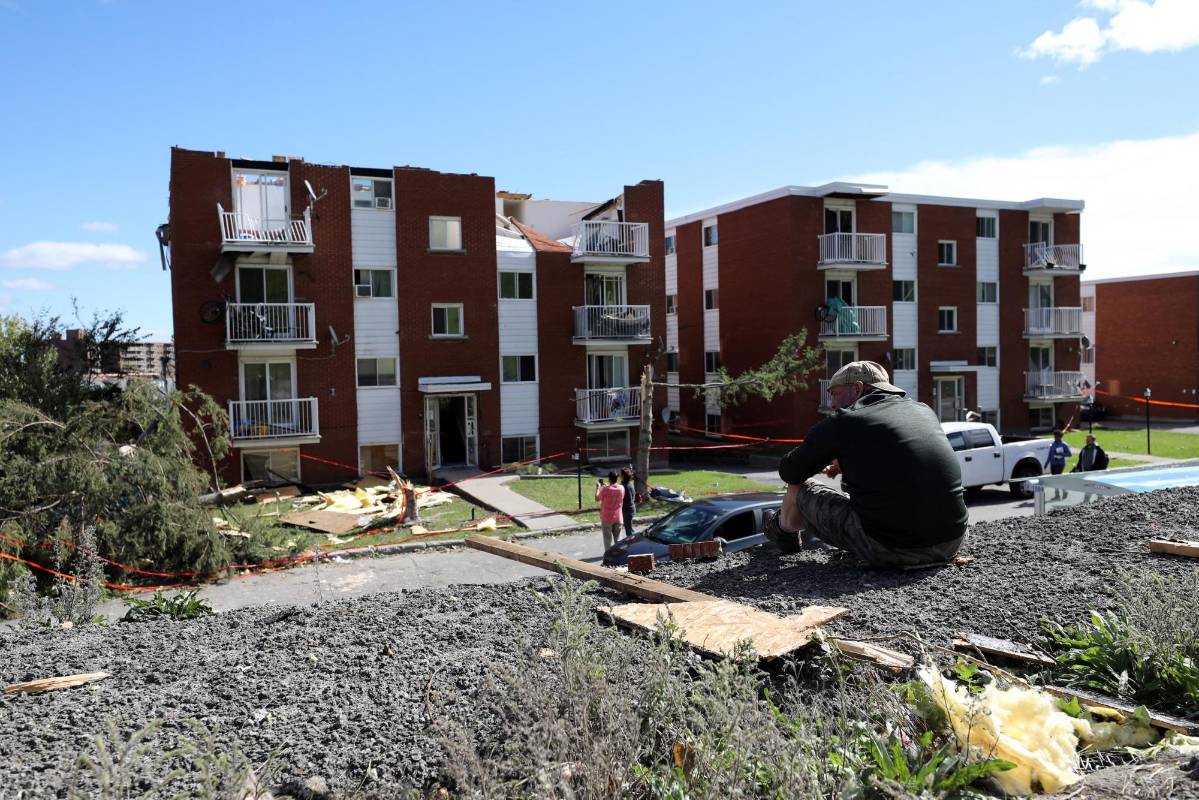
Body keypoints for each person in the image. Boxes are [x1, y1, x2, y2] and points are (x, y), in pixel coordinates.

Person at [763, 360, 968, 568]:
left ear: (857, 388)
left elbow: (790, 471)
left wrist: (825, 454)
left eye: (834, 394)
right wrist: (850, 460)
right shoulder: (924, 411)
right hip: (952, 540)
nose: (832, 404)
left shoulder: (845, 421)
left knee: (799, 487)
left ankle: (782, 531)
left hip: (892, 548)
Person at [595, 471, 624, 550]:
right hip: (618, 517)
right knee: (618, 540)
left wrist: (598, 487)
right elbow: (613, 489)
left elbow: (597, 498)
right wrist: (607, 486)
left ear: (609, 479)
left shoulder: (605, 489)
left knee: (607, 540)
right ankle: (619, 555)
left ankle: (608, 555)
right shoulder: (621, 488)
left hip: (607, 518)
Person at [620, 467, 637, 539]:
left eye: (620, 475)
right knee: (629, 528)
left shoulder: (625, 486)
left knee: (629, 530)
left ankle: (632, 542)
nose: (619, 476)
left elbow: (626, 500)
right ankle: (633, 540)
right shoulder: (629, 483)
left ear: (623, 476)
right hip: (630, 509)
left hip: (627, 510)